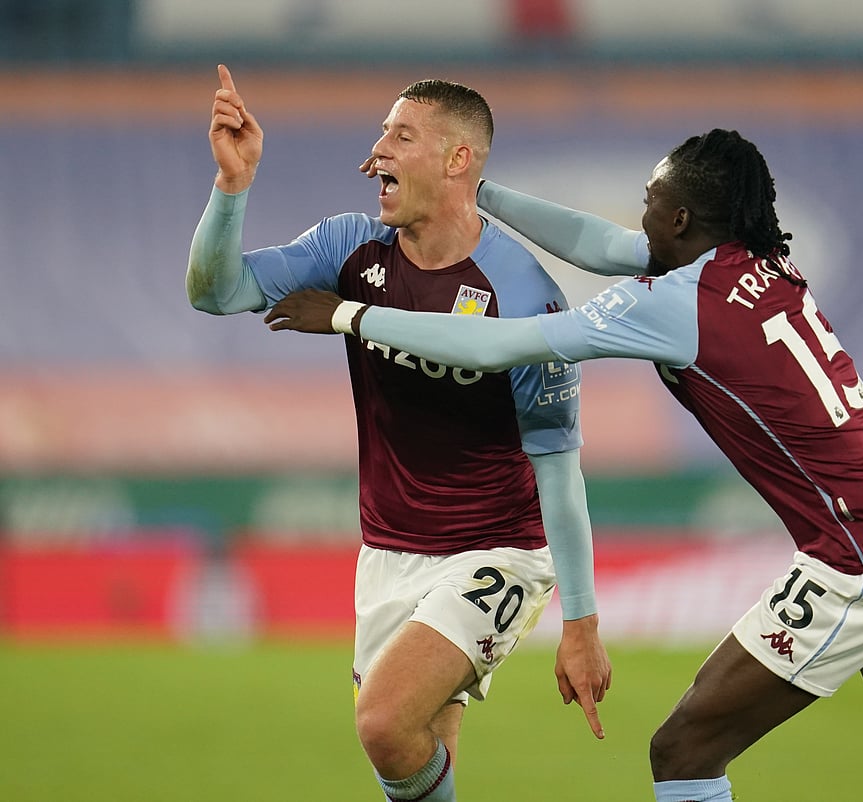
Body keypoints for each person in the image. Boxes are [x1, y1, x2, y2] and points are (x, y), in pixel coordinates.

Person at [264, 129, 863, 801]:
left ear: (679, 216)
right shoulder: (760, 263)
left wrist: (348, 314)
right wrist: (481, 193)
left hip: (862, 556)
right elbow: (605, 244)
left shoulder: (672, 303)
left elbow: (500, 343)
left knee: (683, 750)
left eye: (649, 200)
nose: (635, 215)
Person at [187, 65, 612, 802]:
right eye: (382, 131)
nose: (375, 150)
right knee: (411, 752)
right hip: (387, 553)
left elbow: (559, 467)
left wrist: (581, 623)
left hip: (496, 551)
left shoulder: (523, 294)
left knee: (383, 722)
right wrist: (233, 188)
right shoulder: (352, 247)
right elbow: (216, 292)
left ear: (458, 161)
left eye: (400, 135)